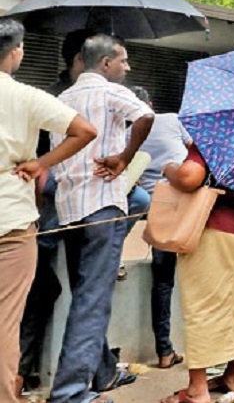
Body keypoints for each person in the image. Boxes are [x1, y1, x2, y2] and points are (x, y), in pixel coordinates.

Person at [49, 34, 154, 403]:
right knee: (92, 300)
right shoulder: (109, 92)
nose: (127, 67)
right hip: (102, 206)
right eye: (123, 61)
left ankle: (102, 372)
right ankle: (70, 392)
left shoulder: (61, 100)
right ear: (105, 63)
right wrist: (125, 158)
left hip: (70, 209)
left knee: (85, 296)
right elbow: (146, 115)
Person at [0, 19, 96, 403]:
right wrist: (41, 164)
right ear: (17, 51)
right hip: (10, 219)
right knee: (5, 324)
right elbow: (84, 131)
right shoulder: (25, 95)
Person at [160, 143, 234, 403]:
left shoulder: (216, 136)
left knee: (202, 304)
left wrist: (169, 168)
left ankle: (197, 389)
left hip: (212, 226)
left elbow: (188, 177)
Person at [130, 86, 191, 370]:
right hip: (188, 202)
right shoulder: (172, 119)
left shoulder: (127, 132)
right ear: (150, 103)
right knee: (197, 276)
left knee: (163, 280)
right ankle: (200, 350)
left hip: (158, 208)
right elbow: (195, 153)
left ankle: (164, 350)